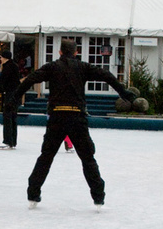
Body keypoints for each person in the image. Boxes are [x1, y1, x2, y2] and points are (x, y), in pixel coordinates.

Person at [10, 38, 136, 209]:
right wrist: (124, 92)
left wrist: (15, 97)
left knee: (46, 156)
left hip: (57, 117)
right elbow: (106, 75)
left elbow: (31, 79)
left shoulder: (52, 67)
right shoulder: (83, 67)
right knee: (87, 158)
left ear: (60, 52)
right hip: (77, 117)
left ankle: (33, 193)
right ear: (76, 52)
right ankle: (98, 196)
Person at [0, 50, 21, 150]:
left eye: (1, 57)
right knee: (13, 118)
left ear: (5, 57)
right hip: (16, 95)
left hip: (9, 95)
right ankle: (13, 141)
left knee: (7, 117)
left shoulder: (7, 67)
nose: (0, 59)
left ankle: (7, 140)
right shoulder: (14, 66)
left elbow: (3, 82)